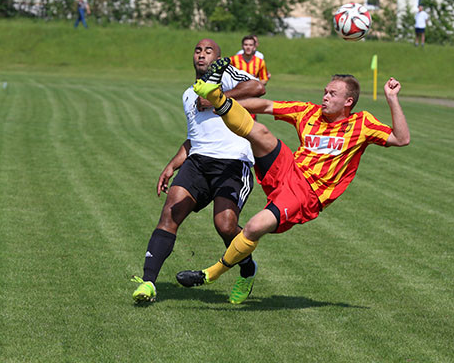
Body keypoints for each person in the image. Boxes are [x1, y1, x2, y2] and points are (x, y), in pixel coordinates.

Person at [176, 58, 410, 303]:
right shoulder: (309, 112)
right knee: (262, 132)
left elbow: (401, 138)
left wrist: (392, 98)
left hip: (307, 194)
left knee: (254, 227)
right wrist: (226, 102)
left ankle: (211, 274)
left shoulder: (362, 123)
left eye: (332, 94)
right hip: (288, 170)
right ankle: (217, 97)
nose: (325, 97)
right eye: (325, 92)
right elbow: (265, 105)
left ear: (348, 101)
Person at [131, 39, 266, 304]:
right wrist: (172, 164)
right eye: (197, 50)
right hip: (197, 163)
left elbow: (258, 87)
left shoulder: (226, 77)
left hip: (232, 163)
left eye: (208, 51)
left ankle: (247, 268)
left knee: (225, 225)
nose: (202, 54)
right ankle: (148, 282)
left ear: (217, 57)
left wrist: (218, 98)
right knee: (170, 213)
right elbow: (194, 137)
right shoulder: (188, 94)